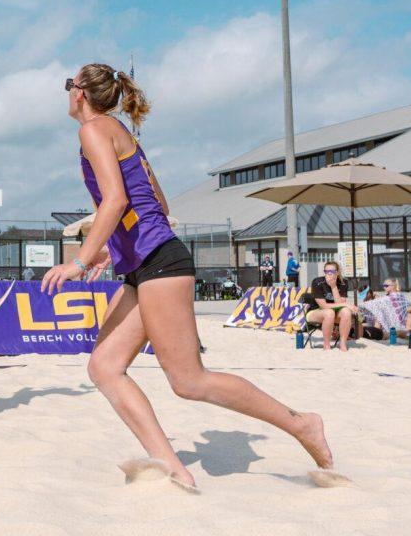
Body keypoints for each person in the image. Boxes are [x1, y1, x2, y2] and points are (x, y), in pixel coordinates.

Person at [39, 62, 335, 490]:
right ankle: (171, 466)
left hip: (159, 262)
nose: (67, 91)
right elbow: (154, 201)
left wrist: (80, 260)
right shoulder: (120, 132)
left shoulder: (94, 130)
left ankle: (302, 423)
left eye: (69, 84)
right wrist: (110, 248)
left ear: (80, 93)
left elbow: (117, 200)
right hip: (147, 263)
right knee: (105, 367)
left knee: (189, 380)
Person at [306, 261, 358, 352]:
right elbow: (323, 306)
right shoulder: (317, 282)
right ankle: (326, 345)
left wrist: (333, 287)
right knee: (329, 312)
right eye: (327, 271)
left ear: (337, 272)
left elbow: (340, 305)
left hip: (335, 312)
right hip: (315, 311)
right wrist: (345, 304)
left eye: (332, 271)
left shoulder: (343, 283)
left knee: (346, 311)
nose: (329, 274)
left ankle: (342, 343)